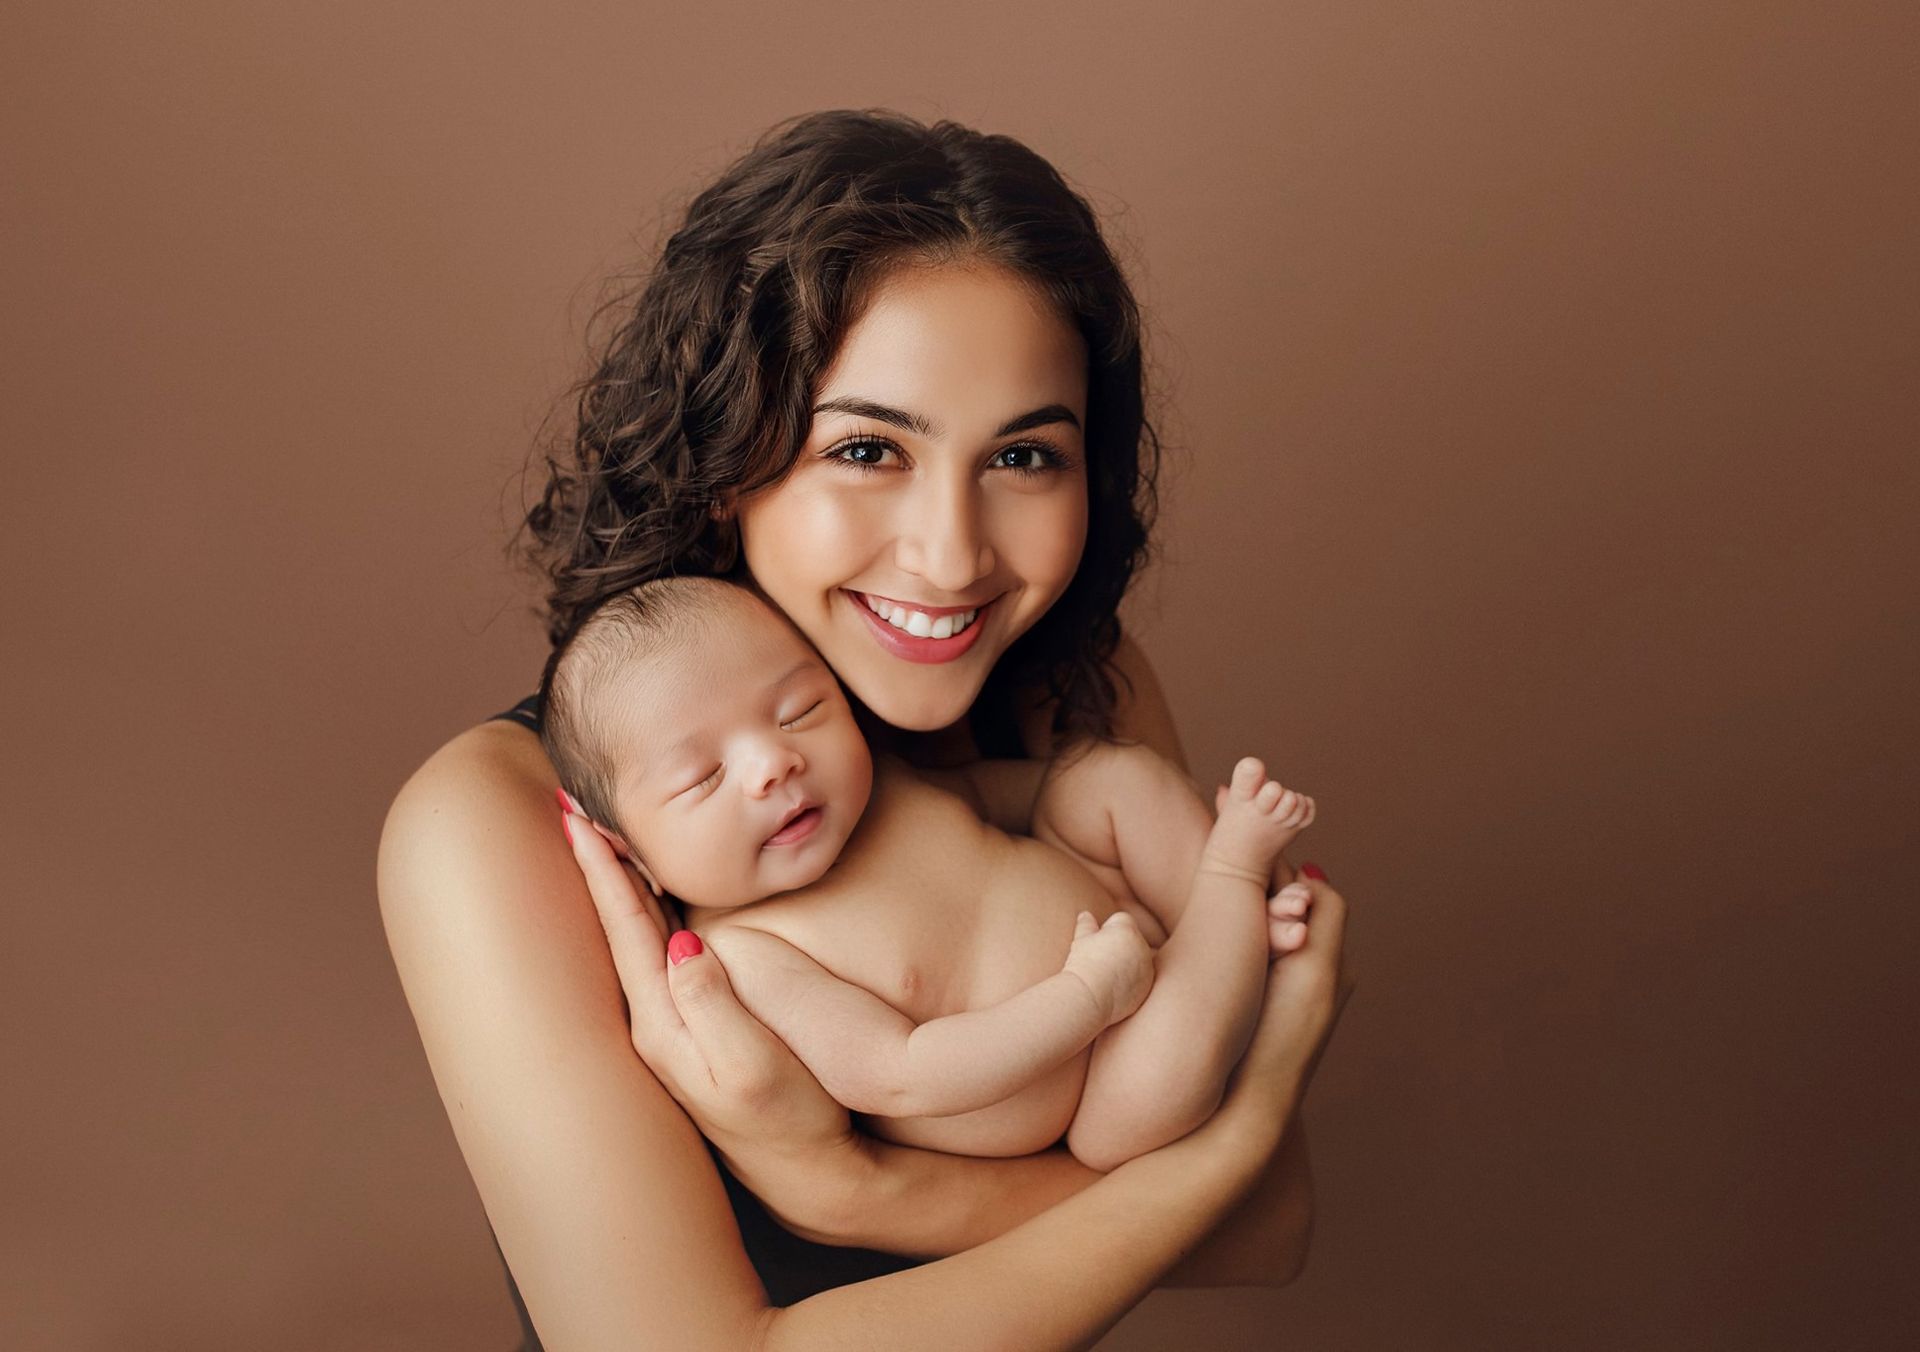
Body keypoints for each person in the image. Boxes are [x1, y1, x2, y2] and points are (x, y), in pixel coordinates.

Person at [378, 108, 1354, 1350]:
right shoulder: (499, 822)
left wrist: (865, 1186)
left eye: (1024, 456)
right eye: (866, 446)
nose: (952, 555)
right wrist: (1252, 1106)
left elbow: (1266, 1230)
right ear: (732, 456)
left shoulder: (1077, 690)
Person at [540, 574, 1321, 1171]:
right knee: (1155, 1081)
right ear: (630, 852)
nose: (774, 765)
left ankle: (1227, 923)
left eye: (799, 711)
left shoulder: (877, 787)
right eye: (702, 779)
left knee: (1104, 774)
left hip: (1112, 914)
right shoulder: (749, 958)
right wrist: (1085, 998)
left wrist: (1086, 797)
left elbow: (998, 797)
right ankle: (1230, 888)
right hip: (1095, 1083)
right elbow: (900, 1075)